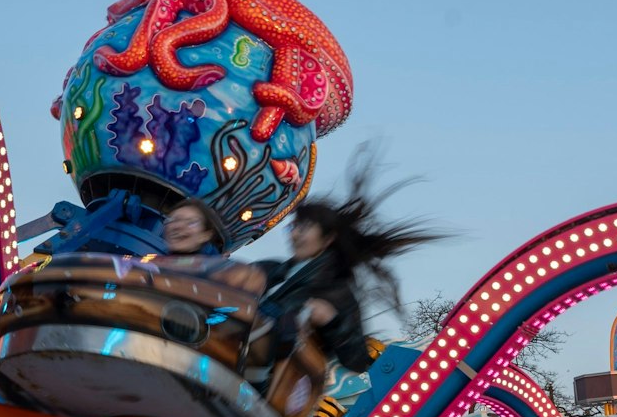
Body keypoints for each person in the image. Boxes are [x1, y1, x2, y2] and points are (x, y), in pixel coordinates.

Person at [252, 152, 446, 376]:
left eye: (304, 227)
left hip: (271, 376)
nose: (295, 234)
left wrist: (332, 321)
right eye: (293, 227)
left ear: (327, 238)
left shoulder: (338, 292)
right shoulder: (270, 269)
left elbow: (357, 359)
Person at [159, 199, 265, 292]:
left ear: (205, 235)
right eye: (173, 219)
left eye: (191, 223)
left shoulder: (212, 265)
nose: (178, 226)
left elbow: (248, 275)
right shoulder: (155, 261)